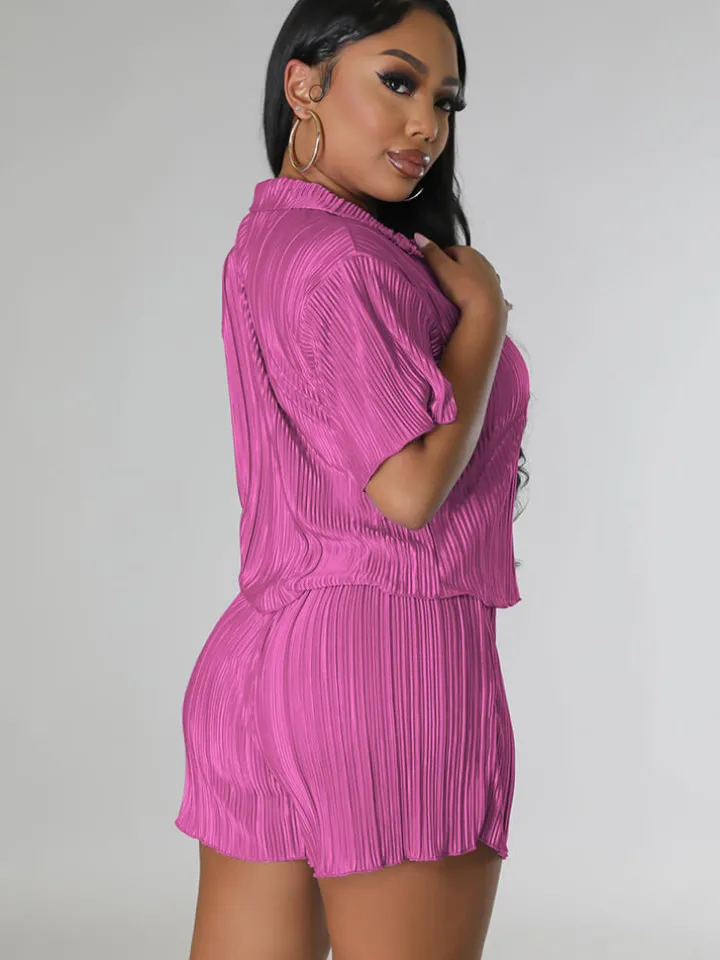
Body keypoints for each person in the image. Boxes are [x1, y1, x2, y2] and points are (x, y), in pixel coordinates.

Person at [174, 1, 531, 957]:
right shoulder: (342, 260)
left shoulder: (269, 244)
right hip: (385, 667)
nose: (427, 124)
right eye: (399, 81)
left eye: (445, 100)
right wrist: (484, 319)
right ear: (304, 84)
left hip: (258, 663)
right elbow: (407, 491)